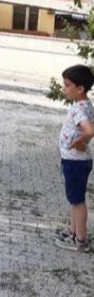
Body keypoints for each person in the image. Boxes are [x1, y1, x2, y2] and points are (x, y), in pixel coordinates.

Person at [54, 65, 94, 253]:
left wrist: (78, 143)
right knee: (75, 198)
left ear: (80, 89)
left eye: (67, 85)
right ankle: (73, 232)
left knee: (77, 201)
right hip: (79, 160)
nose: (64, 88)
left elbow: (89, 130)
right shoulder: (86, 104)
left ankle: (81, 240)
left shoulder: (79, 109)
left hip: (75, 161)